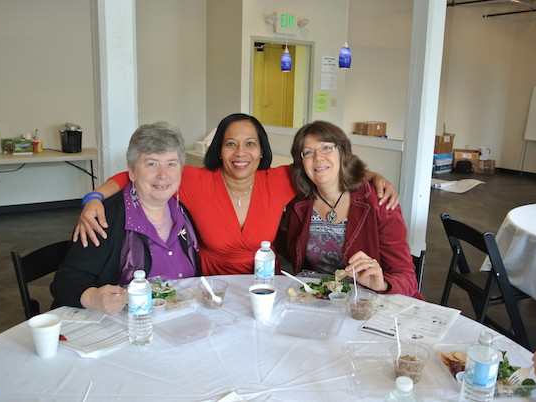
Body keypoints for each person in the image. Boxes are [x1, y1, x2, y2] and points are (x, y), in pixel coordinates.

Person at [73, 113, 399, 276]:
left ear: (261, 151)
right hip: (210, 290)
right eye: (231, 143)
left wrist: (371, 176)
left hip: (265, 289)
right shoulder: (196, 181)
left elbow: (321, 166)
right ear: (219, 150)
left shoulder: (278, 180)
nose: (240, 152)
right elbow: (138, 172)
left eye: (250, 143)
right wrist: (94, 199)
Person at [51, 122, 200, 314]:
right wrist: (94, 297)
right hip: (127, 323)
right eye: (152, 164)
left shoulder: (183, 212)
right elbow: (65, 281)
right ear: (131, 171)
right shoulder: (104, 218)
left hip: (182, 317)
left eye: (171, 164)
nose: (163, 175)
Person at [278, 120, 422, 299]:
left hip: (368, 302)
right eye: (308, 152)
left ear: (342, 152)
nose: (318, 157)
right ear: (301, 162)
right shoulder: (298, 203)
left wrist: (382, 284)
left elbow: (407, 278)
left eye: (327, 148)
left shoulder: (379, 202)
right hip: (319, 300)